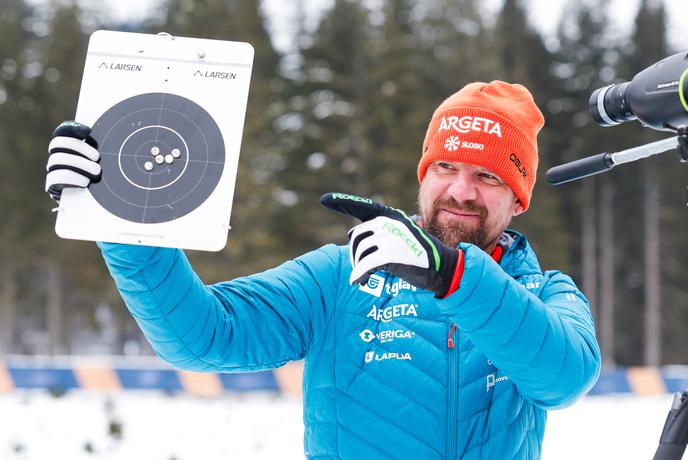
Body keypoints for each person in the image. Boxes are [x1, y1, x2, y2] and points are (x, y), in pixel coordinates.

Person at [45, 81, 601, 459]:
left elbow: (564, 377)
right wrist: (124, 214)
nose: (459, 189)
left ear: (518, 197)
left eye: (487, 176)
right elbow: (202, 337)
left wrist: (451, 276)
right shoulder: (343, 274)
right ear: (424, 174)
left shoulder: (543, 292)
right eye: (447, 167)